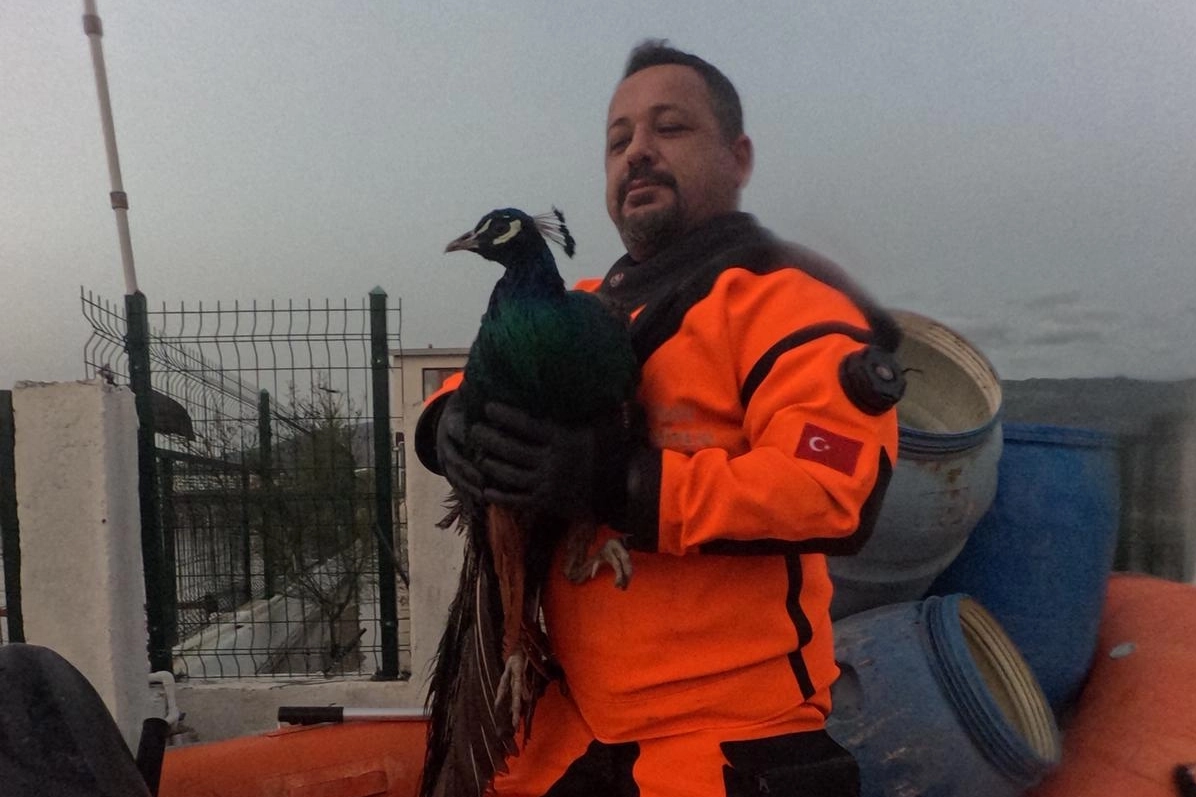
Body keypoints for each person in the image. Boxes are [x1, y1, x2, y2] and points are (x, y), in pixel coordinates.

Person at [416, 40, 904, 797]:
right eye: (618, 141)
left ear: (738, 157)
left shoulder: (790, 306)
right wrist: (446, 423)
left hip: (728, 744)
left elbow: (829, 486)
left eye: (669, 127)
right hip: (573, 735)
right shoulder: (584, 302)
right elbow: (467, 375)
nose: (638, 151)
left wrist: (619, 483)